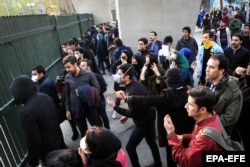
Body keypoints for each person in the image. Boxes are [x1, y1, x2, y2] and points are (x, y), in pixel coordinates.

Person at [115, 68, 195, 167]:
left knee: (172, 157)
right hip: (189, 132)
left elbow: (149, 99)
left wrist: (127, 98)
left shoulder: (168, 95)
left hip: (172, 131)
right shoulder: (189, 92)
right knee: (190, 157)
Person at [107, 64, 162, 167]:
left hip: (143, 123)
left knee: (130, 147)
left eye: (119, 74)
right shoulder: (134, 85)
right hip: (148, 116)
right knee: (151, 142)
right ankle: (158, 163)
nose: (116, 76)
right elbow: (137, 107)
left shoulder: (133, 90)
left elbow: (133, 113)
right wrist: (127, 115)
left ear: (127, 77)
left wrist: (115, 107)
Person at [9, 75, 67, 167]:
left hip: (48, 152)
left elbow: (34, 141)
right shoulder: (45, 97)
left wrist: (32, 162)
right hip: (59, 141)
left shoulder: (26, 112)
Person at [164, 86, 223, 167]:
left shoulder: (205, 138)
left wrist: (171, 134)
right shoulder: (211, 116)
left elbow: (186, 161)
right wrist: (184, 137)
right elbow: (198, 136)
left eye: (190, 104)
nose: (185, 106)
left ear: (202, 110)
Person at [63, 55, 102, 137]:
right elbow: (66, 94)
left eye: (68, 67)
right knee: (83, 133)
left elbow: (97, 89)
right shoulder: (67, 77)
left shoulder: (89, 74)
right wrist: (67, 109)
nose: (67, 70)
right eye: (66, 67)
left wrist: (83, 91)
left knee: (97, 130)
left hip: (89, 107)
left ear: (75, 64)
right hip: (76, 109)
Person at [205, 54, 243, 136]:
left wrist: (206, 119)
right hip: (205, 128)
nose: (207, 69)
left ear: (221, 70)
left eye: (212, 67)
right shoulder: (208, 80)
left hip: (219, 134)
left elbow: (229, 119)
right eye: (207, 66)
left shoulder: (234, 92)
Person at [80, 59, 110, 129]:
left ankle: (107, 129)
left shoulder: (97, 76)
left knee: (103, 116)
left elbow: (104, 87)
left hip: (100, 101)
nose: (81, 67)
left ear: (89, 67)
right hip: (91, 103)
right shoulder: (82, 78)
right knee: (97, 119)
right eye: (80, 65)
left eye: (83, 65)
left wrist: (95, 93)